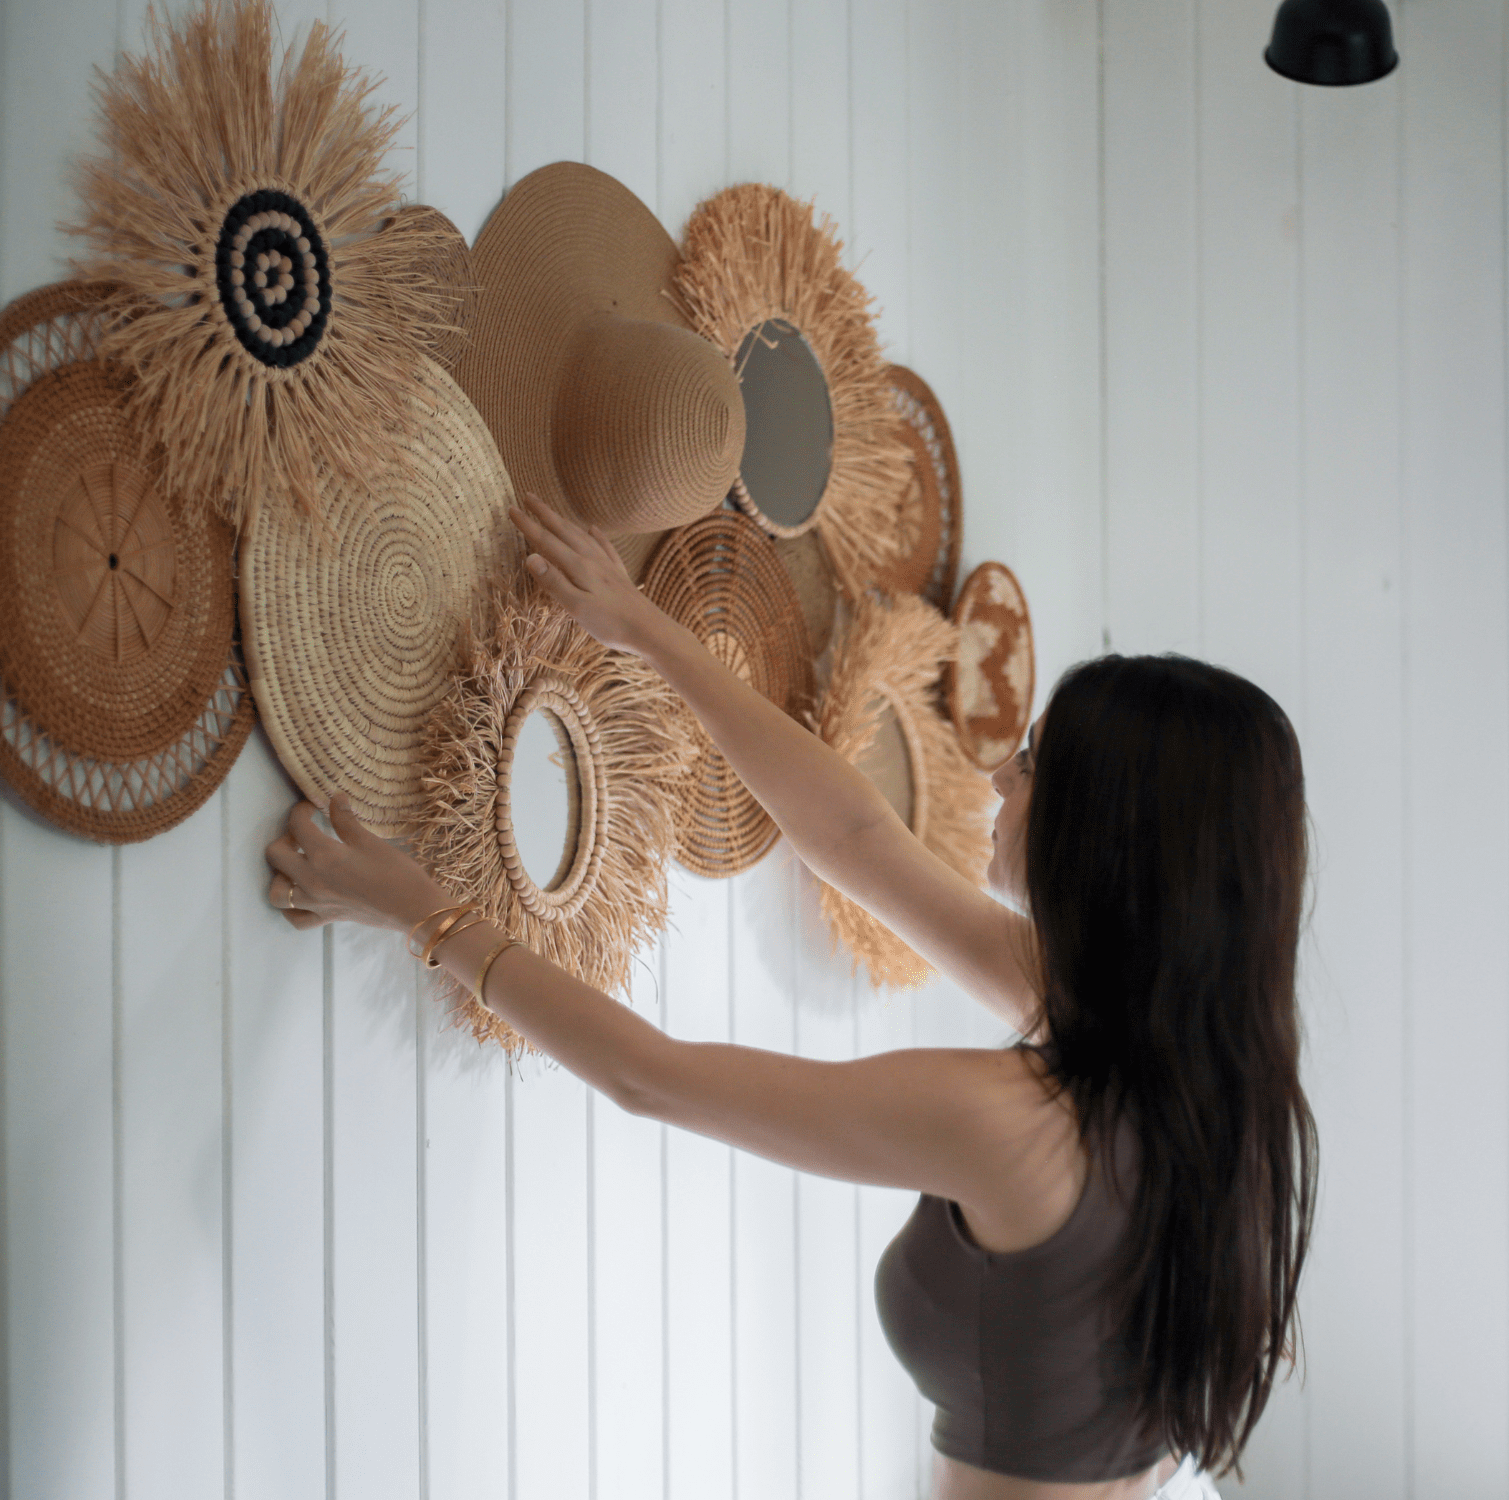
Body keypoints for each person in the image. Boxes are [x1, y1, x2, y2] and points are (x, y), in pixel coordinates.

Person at [265, 499, 1317, 1500]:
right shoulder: (1189, 1071)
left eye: (1034, 760)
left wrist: (420, 911)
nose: (1000, 778)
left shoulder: (1015, 1126)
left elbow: (653, 1078)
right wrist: (645, 633)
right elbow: (859, 842)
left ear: (1105, 835)